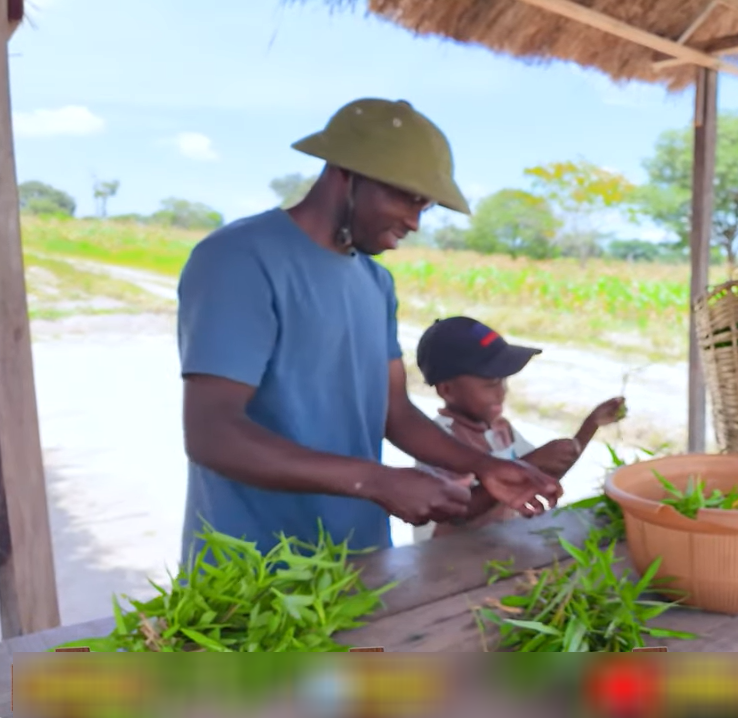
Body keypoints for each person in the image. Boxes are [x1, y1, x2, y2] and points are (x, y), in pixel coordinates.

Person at [176, 98, 562, 561]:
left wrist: (485, 466)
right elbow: (213, 433)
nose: (415, 222)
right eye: (407, 198)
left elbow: (393, 412)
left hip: (360, 557)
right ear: (346, 173)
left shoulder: (375, 283)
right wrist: (376, 480)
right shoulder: (240, 258)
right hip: (254, 568)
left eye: (426, 206)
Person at [411, 316, 626, 539]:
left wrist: (590, 426)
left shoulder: (501, 431)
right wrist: (529, 463)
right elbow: (458, 513)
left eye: (503, 381)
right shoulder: (441, 442)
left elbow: (540, 478)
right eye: (491, 384)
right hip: (445, 560)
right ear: (446, 390)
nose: (502, 392)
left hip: (497, 547)